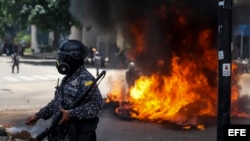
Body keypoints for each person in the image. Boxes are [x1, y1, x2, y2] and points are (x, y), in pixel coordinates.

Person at [25, 40, 103, 141]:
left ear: (74, 57)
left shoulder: (86, 80)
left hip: (75, 136)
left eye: (63, 57)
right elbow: (58, 102)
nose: (60, 60)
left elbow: (96, 104)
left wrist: (72, 113)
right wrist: (38, 115)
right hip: (59, 135)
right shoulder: (69, 77)